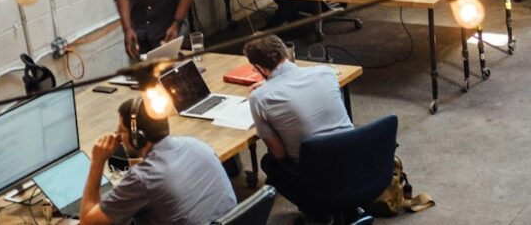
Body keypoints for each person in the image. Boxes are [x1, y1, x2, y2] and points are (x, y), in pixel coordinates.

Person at [80, 98, 236, 225]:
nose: (118, 137)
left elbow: (87, 221)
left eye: (121, 131)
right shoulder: (197, 145)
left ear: (137, 137)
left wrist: (97, 162)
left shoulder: (144, 178)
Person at [243, 35, 353, 207]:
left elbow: (278, 153)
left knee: (269, 162)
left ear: (260, 69)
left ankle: (318, 209)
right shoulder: (325, 72)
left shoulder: (259, 98)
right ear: (285, 53)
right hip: (354, 156)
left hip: (316, 171)